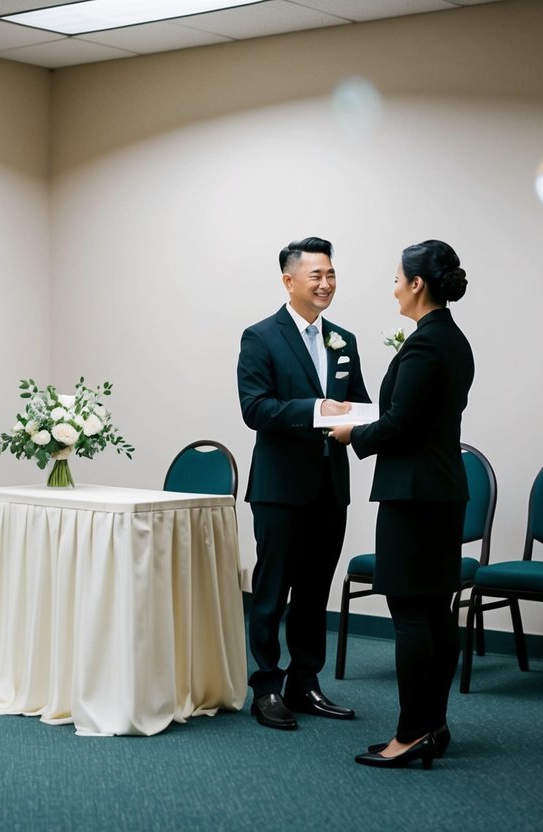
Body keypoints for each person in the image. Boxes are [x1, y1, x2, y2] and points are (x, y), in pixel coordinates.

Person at [329, 239, 473, 769]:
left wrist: (352, 434)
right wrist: (367, 413)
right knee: (435, 611)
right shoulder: (451, 341)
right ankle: (433, 726)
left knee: (412, 614)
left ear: (417, 284)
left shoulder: (424, 346)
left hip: (413, 497)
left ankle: (411, 733)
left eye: (396, 279)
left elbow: (400, 425)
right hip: (442, 490)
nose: (392, 288)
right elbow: (417, 413)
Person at [237, 236, 370, 731]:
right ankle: (267, 686)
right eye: (316, 275)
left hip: (330, 486)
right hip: (279, 489)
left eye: (331, 274)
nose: (326, 283)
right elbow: (256, 410)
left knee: (315, 592)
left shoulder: (344, 340)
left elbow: (356, 403)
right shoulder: (260, 337)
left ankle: (305, 682)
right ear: (288, 281)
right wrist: (316, 411)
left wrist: (369, 421)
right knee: (272, 591)